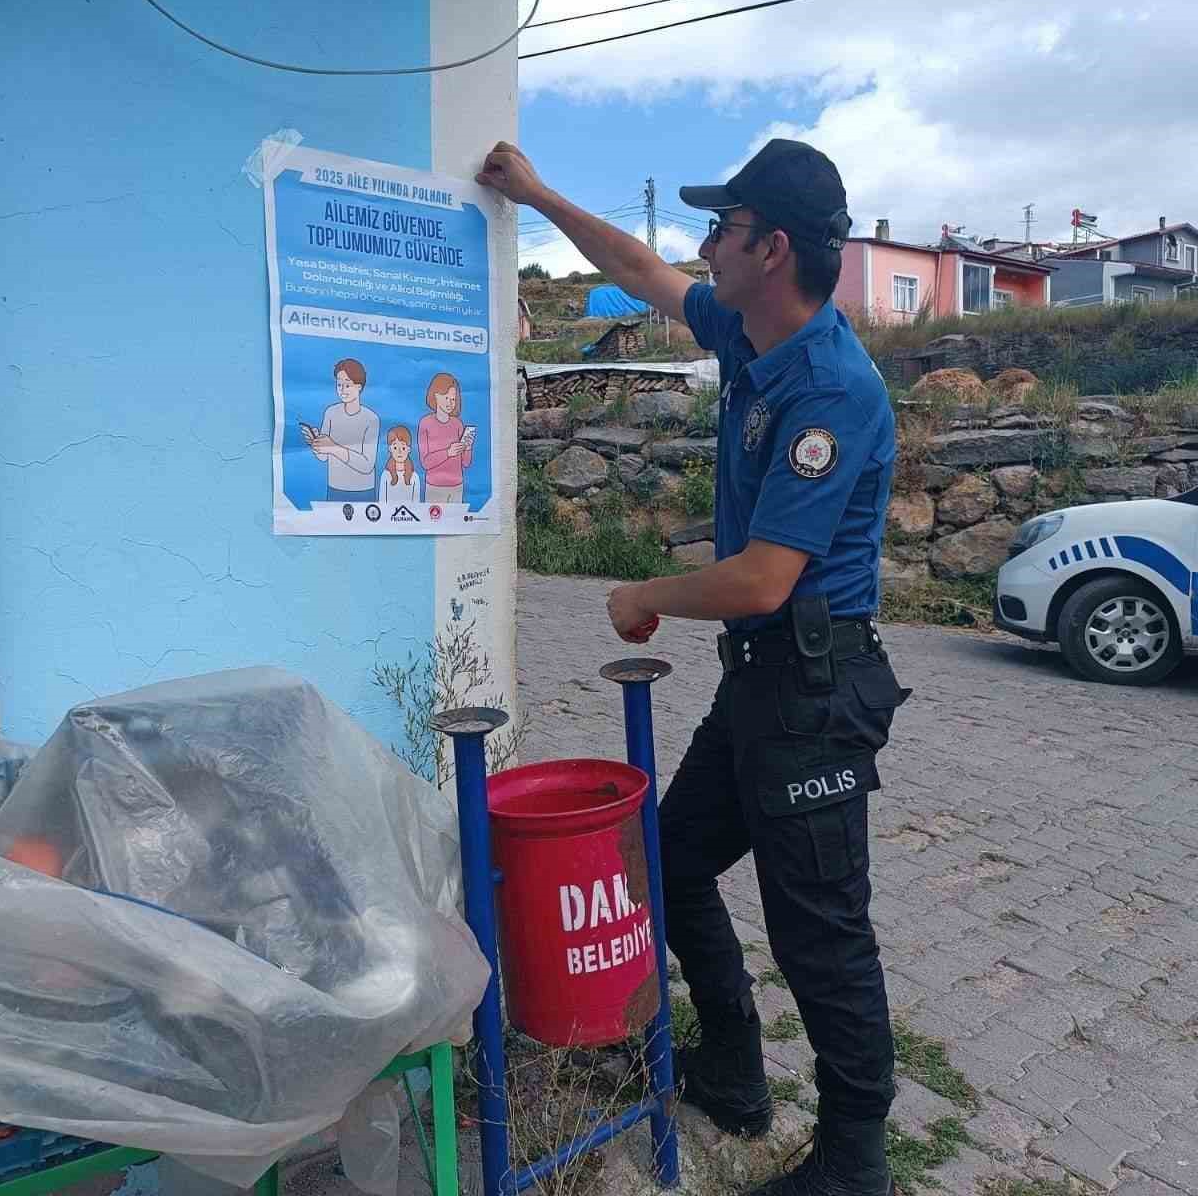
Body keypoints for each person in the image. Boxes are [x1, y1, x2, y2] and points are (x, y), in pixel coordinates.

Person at [479, 138, 908, 1196]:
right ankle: (731, 1069)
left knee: (820, 932)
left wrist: (641, 599)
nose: (702, 244)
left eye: (721, 227)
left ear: (770, 249)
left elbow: (765, 577)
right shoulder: (745, 331)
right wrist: (535, 192)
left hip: (813, 686)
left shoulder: (831, 390)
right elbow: (637, 271)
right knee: (667, 862)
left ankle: (857, 1159)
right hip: (764, 682)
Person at [303, 358, 379, 503]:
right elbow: (323, 457)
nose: (342, 390)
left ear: (359, 387)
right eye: (339, 385)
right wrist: (316, 444)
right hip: (335, 488)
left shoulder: (371, 418)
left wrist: (333, 448)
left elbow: (367, 465)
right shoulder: (330, 413)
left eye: (347, 385)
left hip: (363, 490)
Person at [417, 372, 476, 502]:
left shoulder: (458, 424)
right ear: (436, 395)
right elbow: (425, 462)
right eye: (446, 398)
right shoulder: (425, 423)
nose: (450, 403)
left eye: (453, 399)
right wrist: (448, 452)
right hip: (434, 486)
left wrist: (468, 447)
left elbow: (465, 463)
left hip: (457, 486)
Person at [380, 425, 422, 503]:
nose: (399, 452)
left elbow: (416, 504)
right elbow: (382, 501)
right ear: (390, 449)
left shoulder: (414, 477)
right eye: (395, 448)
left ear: (409, 449)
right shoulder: (385, 475)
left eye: (403, 448)